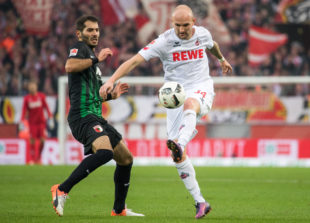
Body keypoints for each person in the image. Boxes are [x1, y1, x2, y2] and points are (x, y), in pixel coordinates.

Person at [99, 5, 232, 219]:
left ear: (193, 23)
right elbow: (134, 61)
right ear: (172, 24)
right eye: (177, 25)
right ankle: (200, 202)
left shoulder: (203, 34)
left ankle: (181, 141)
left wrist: (222, 59)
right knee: (177, 156)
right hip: (174, 97)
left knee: (190, 105)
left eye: (185, 25)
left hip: (201, 87)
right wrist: (112, 80)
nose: (181, 29)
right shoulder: (164, 41)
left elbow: (212, 45)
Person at [50, 15, 144, 217]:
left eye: (97, 30)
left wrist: (111, 95)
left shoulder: (94, 67)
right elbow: (69, 66)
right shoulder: (80, 49)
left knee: (125, 159)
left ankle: (119, 210)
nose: (94, 34)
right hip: (82, 117)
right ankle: (62, 189)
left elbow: (96, 95)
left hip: (95, 117)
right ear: (79, 34)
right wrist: (96, 58)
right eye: (90, 30)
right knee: (105, 153)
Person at [21, 80, 54, 164]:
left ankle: (38, 157)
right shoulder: (27, 98)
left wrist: (50, 117)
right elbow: (24, 110)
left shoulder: (41, 96)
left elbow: (46, 107)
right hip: (32, 123)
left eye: (33, 86)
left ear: (36, 87)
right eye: (30, 86)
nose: (32, 88)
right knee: (32, 140)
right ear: (28, 88)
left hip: (41, 123)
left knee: (42, 140)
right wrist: (22, 120)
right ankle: (32, 159)